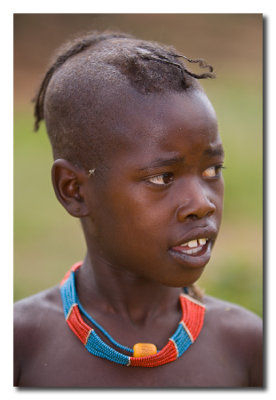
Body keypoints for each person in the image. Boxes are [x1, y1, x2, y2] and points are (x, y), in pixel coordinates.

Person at [14, 31, 262, 387]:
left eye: (212, 170)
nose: (202, 203)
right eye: (162, 177)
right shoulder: (21, 345)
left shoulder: (246, 346)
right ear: (74, 191)